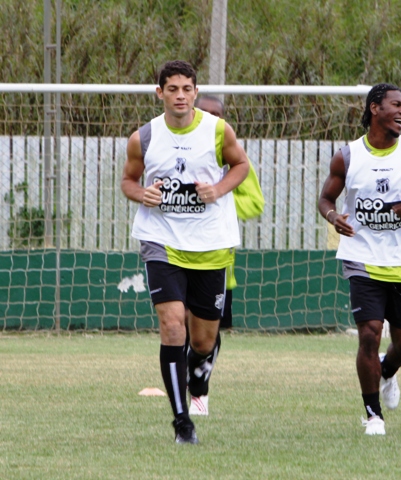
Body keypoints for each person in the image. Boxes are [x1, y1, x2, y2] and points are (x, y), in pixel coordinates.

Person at [120, 60, 249, 444]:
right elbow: (128, 180)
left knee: (204, 339)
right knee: (172, 324)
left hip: (210, 243)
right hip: (161, 240)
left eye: (186, 88)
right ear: (159, 93)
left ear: (195, 91)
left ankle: (197, 378)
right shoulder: (142, 137)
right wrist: (140, 192)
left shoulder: (217, 130)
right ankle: (182, 423)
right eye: (171, 89)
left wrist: (219, 189)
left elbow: (240, 165)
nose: (179, 95)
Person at [318, 83, 401, 435]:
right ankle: (373, 415)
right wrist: (333, 218)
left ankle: (387, 371)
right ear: (375, 108)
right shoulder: (347, 156)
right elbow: (326, 199)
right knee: (370, 335)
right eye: (396, 105)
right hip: (362, 258)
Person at [185, 95, 264, 417]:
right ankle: (185, 390)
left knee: (206, 335)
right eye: (205, 113)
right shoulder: (175, 152)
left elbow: (254, 202)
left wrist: (217, 204)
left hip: (218, 261)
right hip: (174, 253)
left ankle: (200, 389)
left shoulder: (235, 159)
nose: (212, 119)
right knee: (177, 327)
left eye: (218, 115)